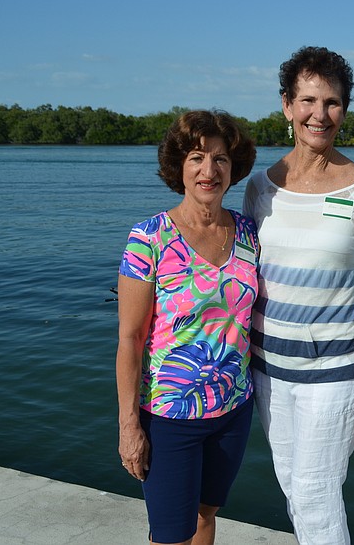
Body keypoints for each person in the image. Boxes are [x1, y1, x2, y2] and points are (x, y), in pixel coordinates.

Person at [242, 46, 354, 544]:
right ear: (287, 105)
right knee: (292, 485)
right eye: (307, 101)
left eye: (332, 102)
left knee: (313, 490)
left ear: (344, 110)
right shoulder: (261, 186)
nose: (319, 114)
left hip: (336, 368)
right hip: (268, 367)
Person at [116, 110, 258, 545]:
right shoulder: (149, 238)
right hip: (170, 416)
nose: (209, 170)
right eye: (197, 157)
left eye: (220, 160)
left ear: (234, 169)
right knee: (172, 533)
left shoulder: (249, 233)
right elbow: (130, 338)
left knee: (205, 516)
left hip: (234, 408)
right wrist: (129, 425)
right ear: (179, 165)